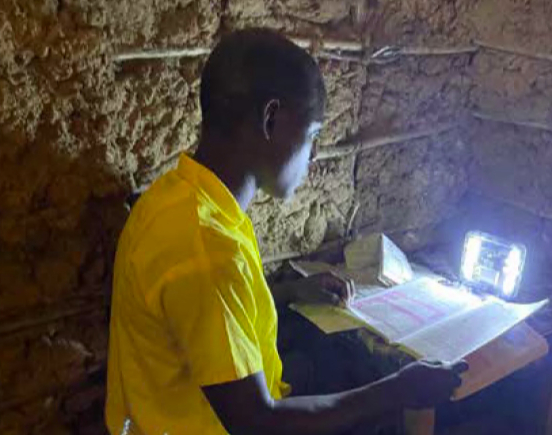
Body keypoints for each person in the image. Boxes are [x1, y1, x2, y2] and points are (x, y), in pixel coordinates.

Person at [105, 28, 467, 435]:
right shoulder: (206, 248)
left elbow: (206, 318)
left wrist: (291, 293)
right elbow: (257, 423)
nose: (312, 156)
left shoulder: (180, 197)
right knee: (376, 401)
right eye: (312, 135)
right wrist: (399, 391)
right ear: (271, 119)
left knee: (330, 360)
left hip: (170, 412)